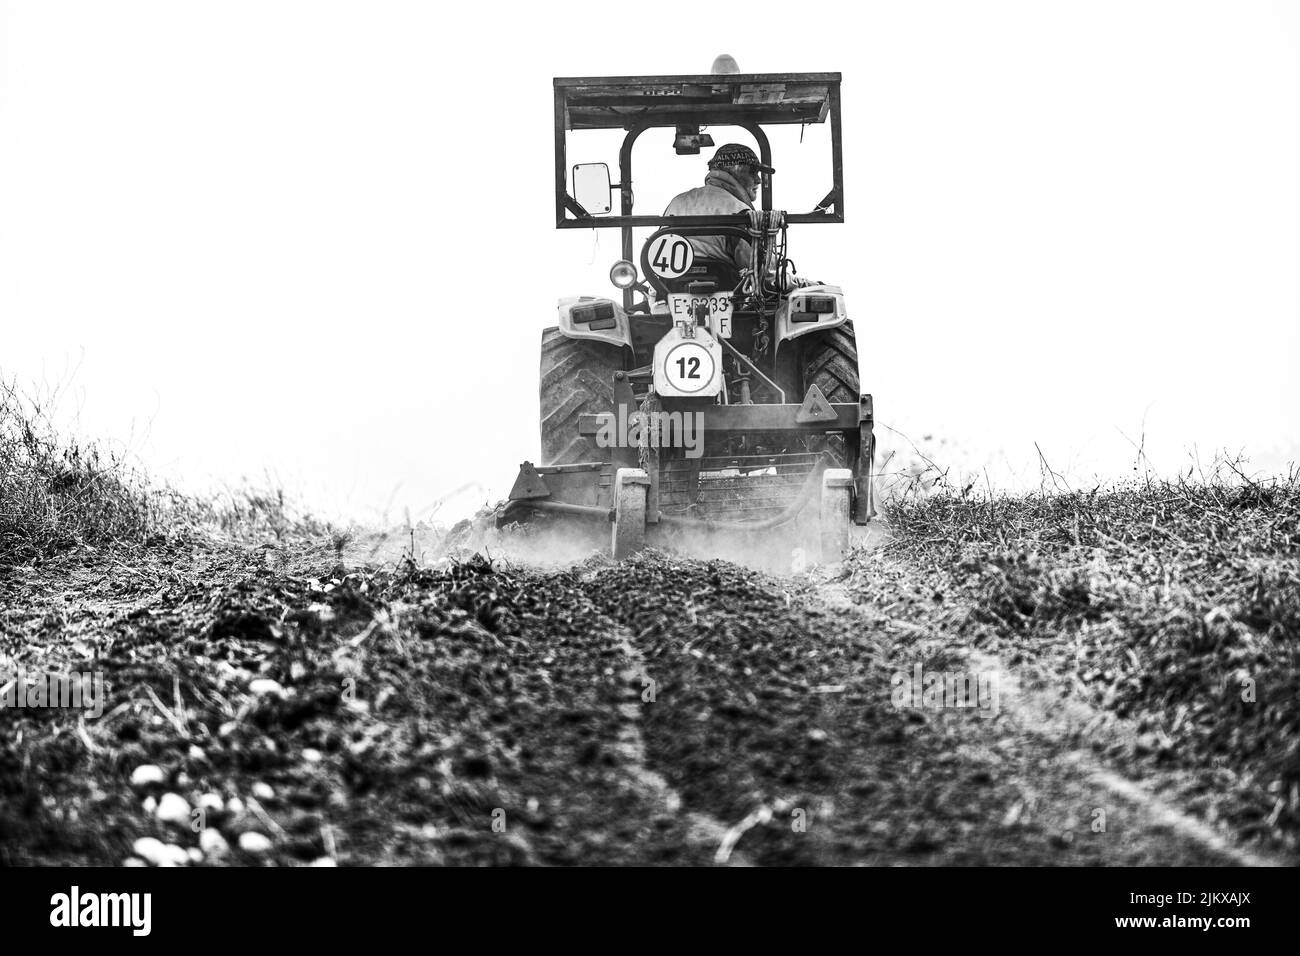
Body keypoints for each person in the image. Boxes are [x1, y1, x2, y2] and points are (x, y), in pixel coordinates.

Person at [663, 143, 813, 290]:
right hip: (724, 291)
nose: (759, 180)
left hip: (670, 287)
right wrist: (803, 284)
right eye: (752, 172)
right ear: (734, 170)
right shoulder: (740, 211)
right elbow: (763, 274)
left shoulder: (676, 202)